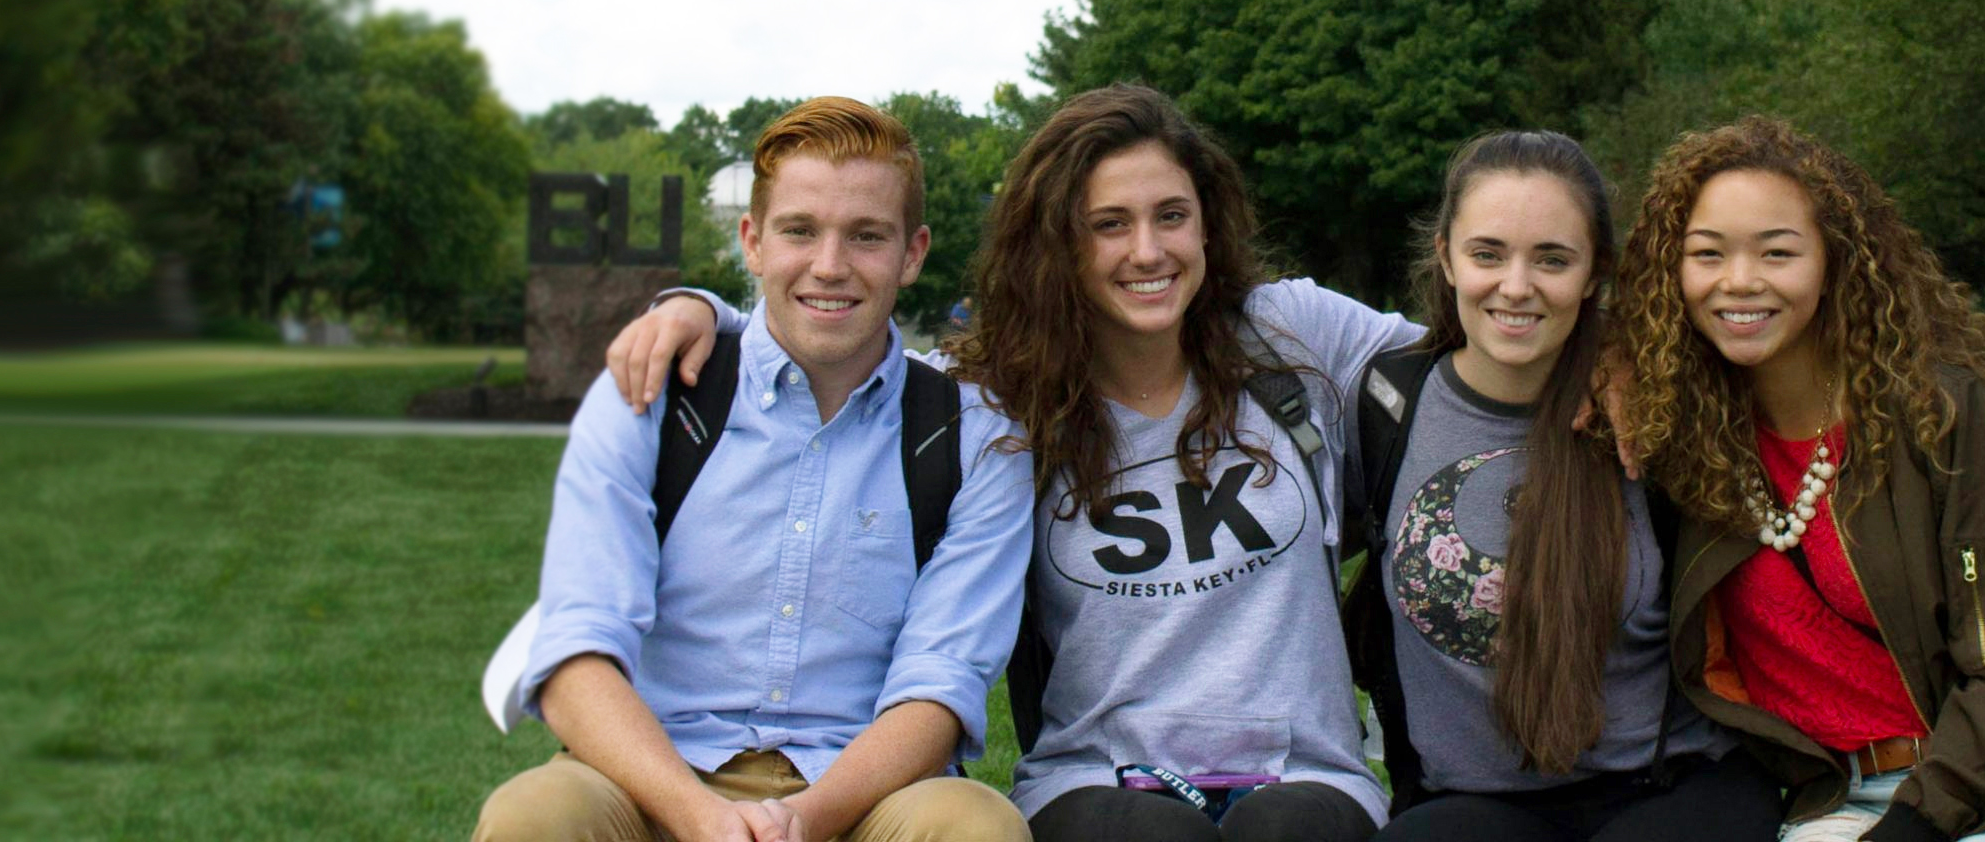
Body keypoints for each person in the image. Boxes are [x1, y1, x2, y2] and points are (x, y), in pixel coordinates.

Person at [609, 85, 1421, 842]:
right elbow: (846, 349)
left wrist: (1558, 389)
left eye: (1171, 216)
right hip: (1098, 779)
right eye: (1108, 223)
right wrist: (699, 310)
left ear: (1207, 223)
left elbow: (1468, 365)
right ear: (1059, 241)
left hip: (1303, 772)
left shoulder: (1291, 334)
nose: (1147, 250)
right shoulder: (997, 396)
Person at [472, 97, 1034, 842]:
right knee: (533, 817)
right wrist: (700, 817)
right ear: (753, 241)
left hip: (863, 791)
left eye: (866, 236)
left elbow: (939, 689)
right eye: (800, 231)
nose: (829, 266)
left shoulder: (975, 438)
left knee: (975, 827)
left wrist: (796, 822)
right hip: (649, 774)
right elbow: (578, 648)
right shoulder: (652, 392)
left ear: (913, 252)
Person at [1614, 116, 1985, 841]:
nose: (1739, 281)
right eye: (1707, 254)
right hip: (1827, 805)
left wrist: (1917, 824)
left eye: (1777, 252)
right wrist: (1600, 364)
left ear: (1837, 261)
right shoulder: (1684, 439)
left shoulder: (1940, 417)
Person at [1345, 131, 1779, 842]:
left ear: (1593, 272)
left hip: (1670, 786)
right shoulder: (1385, 404)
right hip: (1469, 805)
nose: (1516, 286)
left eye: (1552, 259)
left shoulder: (1656, 405)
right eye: (1488, 254)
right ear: (1446, 257)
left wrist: (1623, 348)